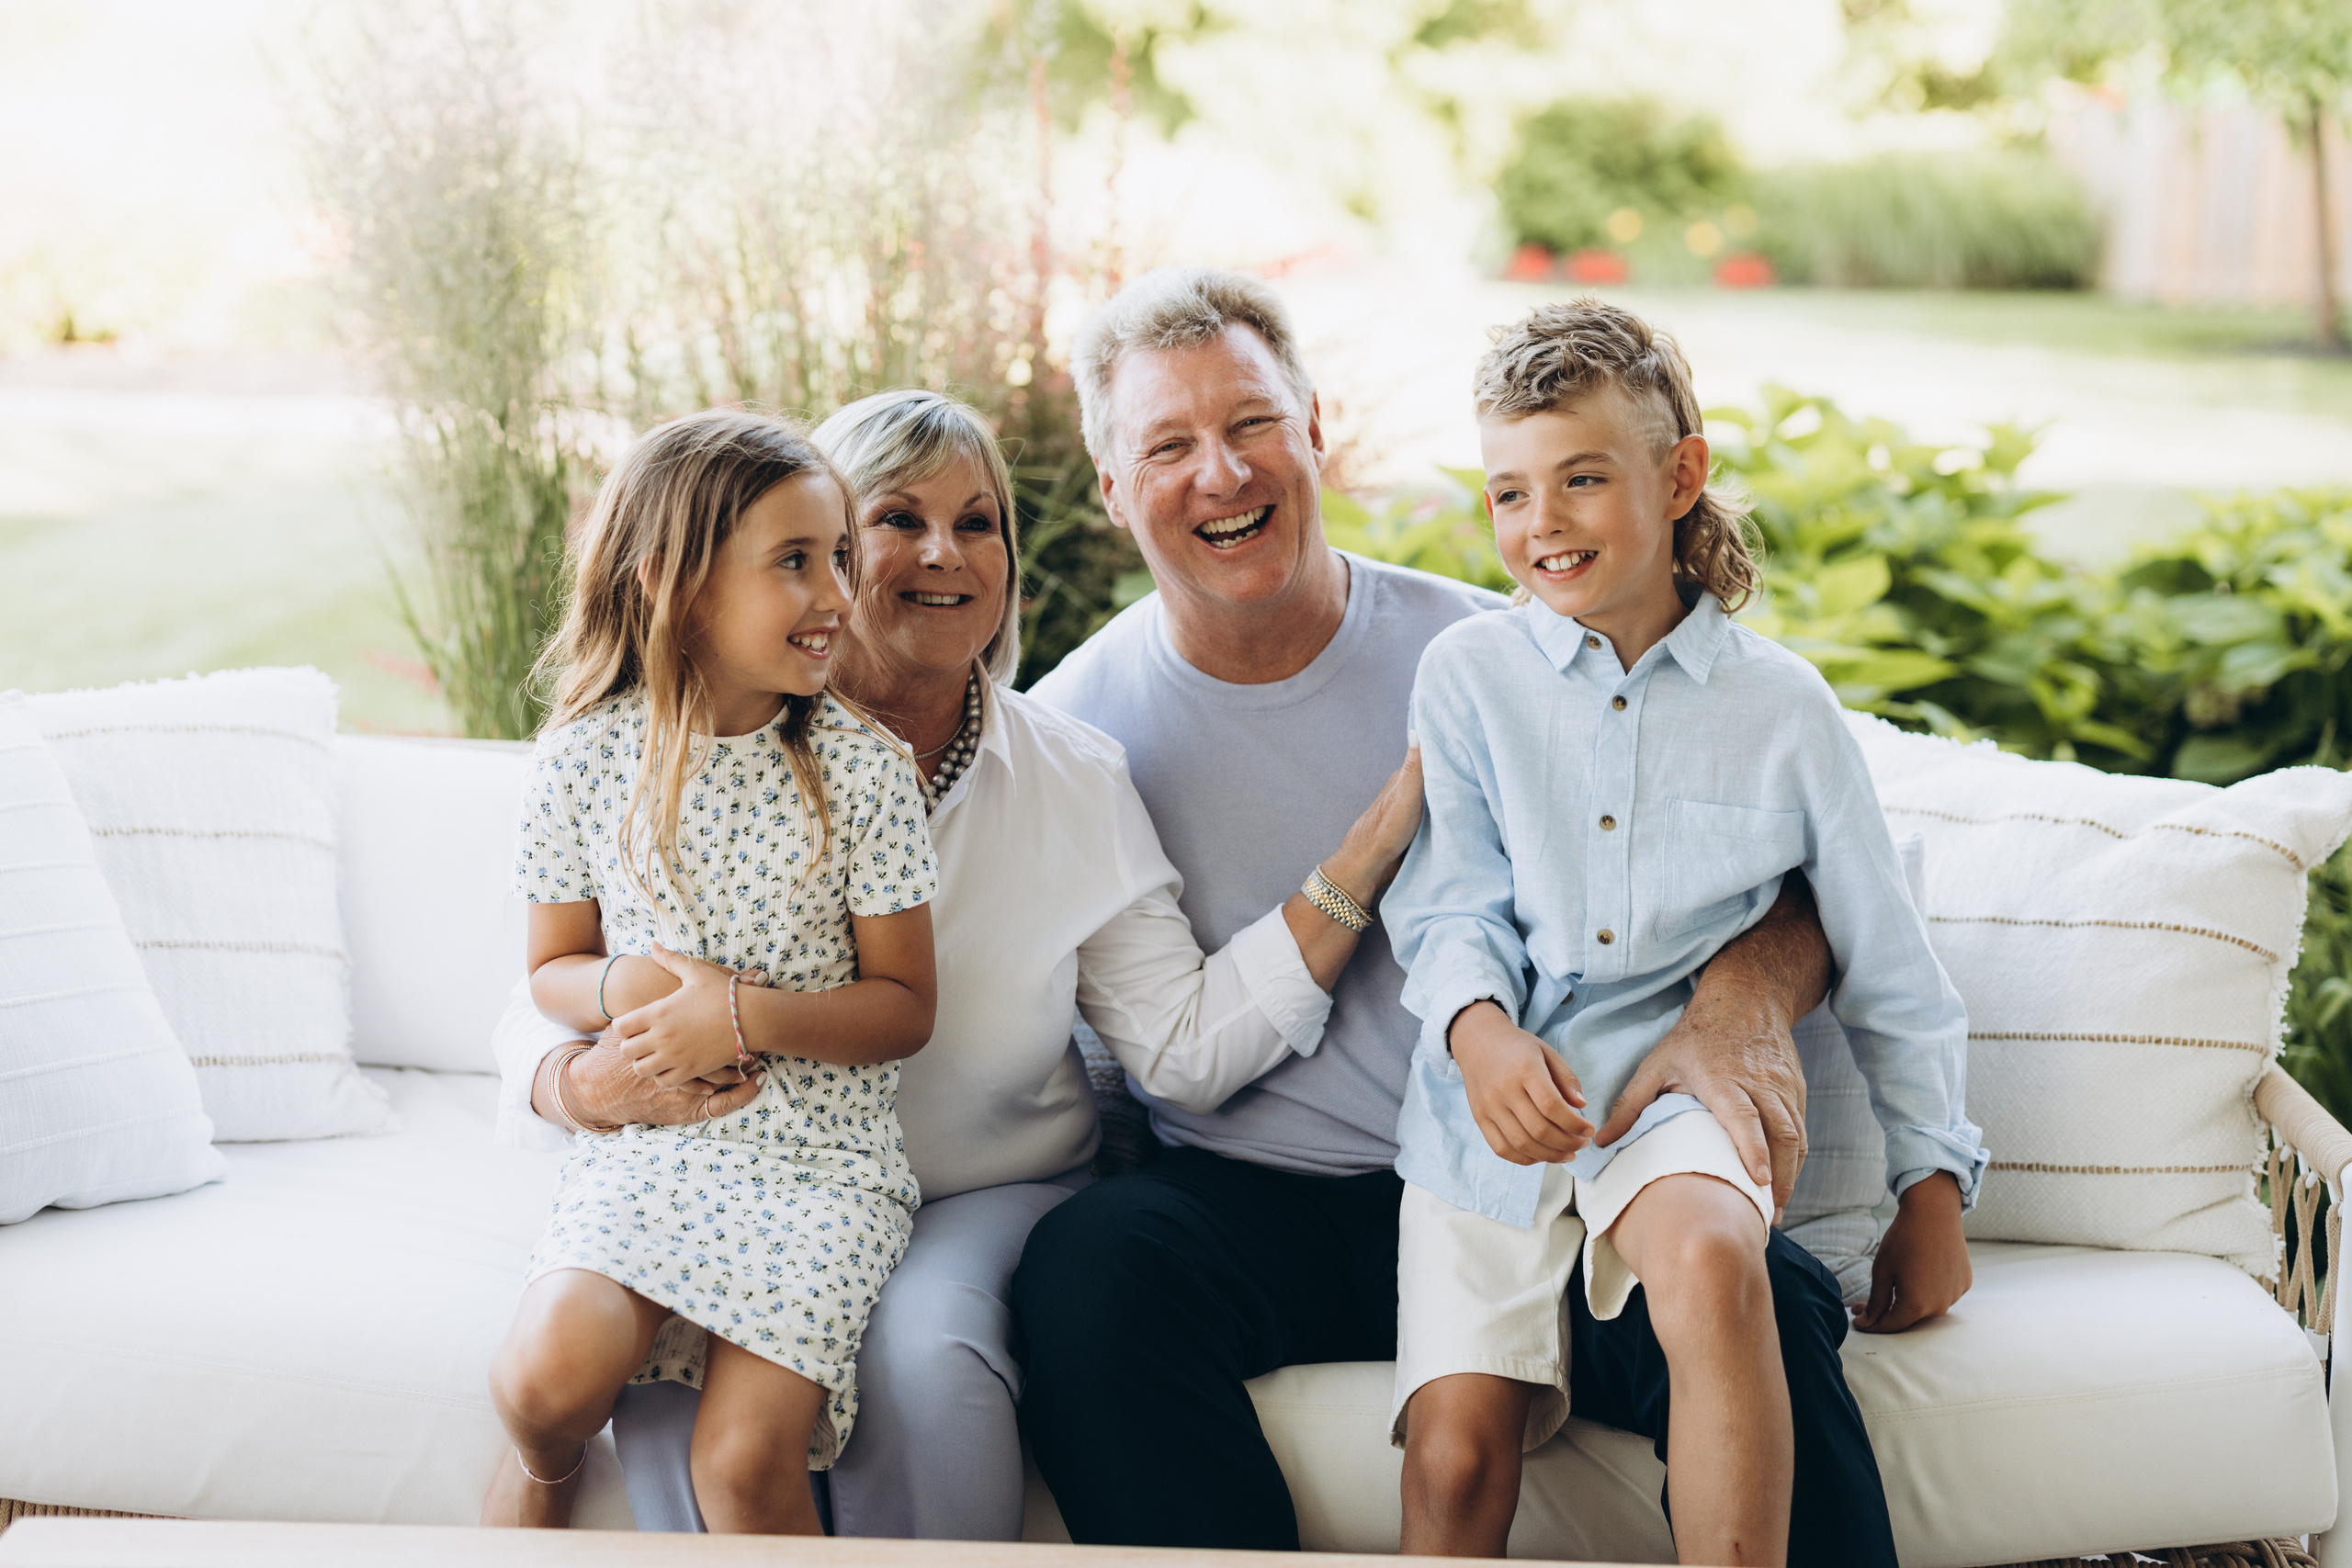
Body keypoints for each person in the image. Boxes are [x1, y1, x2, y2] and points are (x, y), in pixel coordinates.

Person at [490, 388, 1427, 1538]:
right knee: (659, 1386)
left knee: (923, 1356)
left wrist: (1361, 861)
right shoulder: (669, 743)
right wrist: (577, 1084)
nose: (945, 553)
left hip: (976, 1187)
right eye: (896, 520)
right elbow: (551, 981)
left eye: (978, 524)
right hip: (720, 1164)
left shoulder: (1072, 774)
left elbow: (1181, 1049)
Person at [1011, 265, 1835, 1551]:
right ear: (1115, 490)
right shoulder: (1072, 733)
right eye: (1168, 447)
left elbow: (1799, 863)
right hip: (1257, 1199)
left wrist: (1740, 1002)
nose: (1222, 472)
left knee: (1765, 1294)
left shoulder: (1499, 649)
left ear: (1314, 430)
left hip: (1538, 1176)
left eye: (1252, 422)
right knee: (1086, 1274)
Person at [1384, 299, 1987, 1566]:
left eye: (1582, 478)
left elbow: (1886, 955)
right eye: (1509, 492)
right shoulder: (1467, 677)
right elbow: (1449, 901)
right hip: (1493, 1107)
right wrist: (1479, 1035)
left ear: (1679, 476)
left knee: (1716, 1262)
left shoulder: (1783, 709)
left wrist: (1931, 1186)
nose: (1541, 522)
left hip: (1674, 1089)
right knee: (1455, 1453)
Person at [481, 410, 941, 1535]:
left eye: (839, 555)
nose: (837, 593)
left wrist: (736, 1014)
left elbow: (905, 1010)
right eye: (795, 561)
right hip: (652, 1147)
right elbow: (551, 970)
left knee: (738, 1466)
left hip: (820, 1164)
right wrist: (625, 991)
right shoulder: (580, 761)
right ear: (673, 585)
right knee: (543, 1384)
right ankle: (544, 1472)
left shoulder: (866, 773)